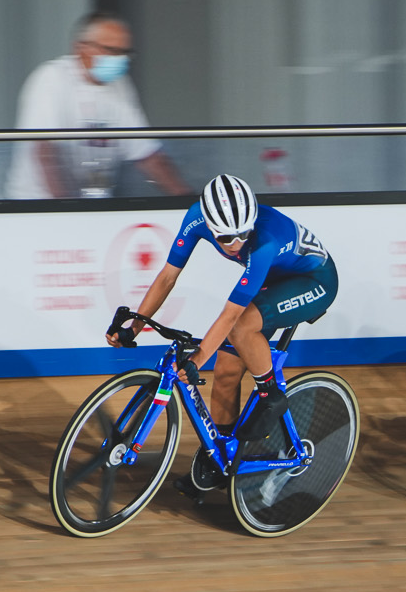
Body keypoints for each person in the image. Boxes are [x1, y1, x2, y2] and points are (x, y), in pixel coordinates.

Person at [108, 174, 336, 484]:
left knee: (241, 328)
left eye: (243, 233)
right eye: (227, 238)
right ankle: (222, 456)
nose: (237, 243)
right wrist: (134, 328)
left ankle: (271, 396)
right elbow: (166, 278)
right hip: (273, 279)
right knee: (227, 372)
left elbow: (231, 315)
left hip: (314, 281)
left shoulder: (264, 241)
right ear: (211, 226)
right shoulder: (195, 218)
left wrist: (196, 360)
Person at [7, 12, 189, 200]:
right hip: (38, 207)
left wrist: (188, 200)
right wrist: (66, 207)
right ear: (81, 49)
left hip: (92, 206)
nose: (120, 59)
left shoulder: (120, 86)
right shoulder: (51, 79)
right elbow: (44, 152)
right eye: (111, 50)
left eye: (124, 53)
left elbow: (147, 155)